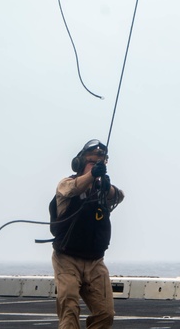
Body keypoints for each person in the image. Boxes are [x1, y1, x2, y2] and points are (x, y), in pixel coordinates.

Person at [50, 139, 124, 329]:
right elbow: (74, 188)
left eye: (99, 163)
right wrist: (92, 175)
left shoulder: (102, 192)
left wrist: (106, 187)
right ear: (80, 163)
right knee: (69, 309)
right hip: (67, 259)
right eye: (92, 162)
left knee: (105, 313)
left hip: (95, 261)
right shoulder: (65, 185)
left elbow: (119, 196)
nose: (96, 166)